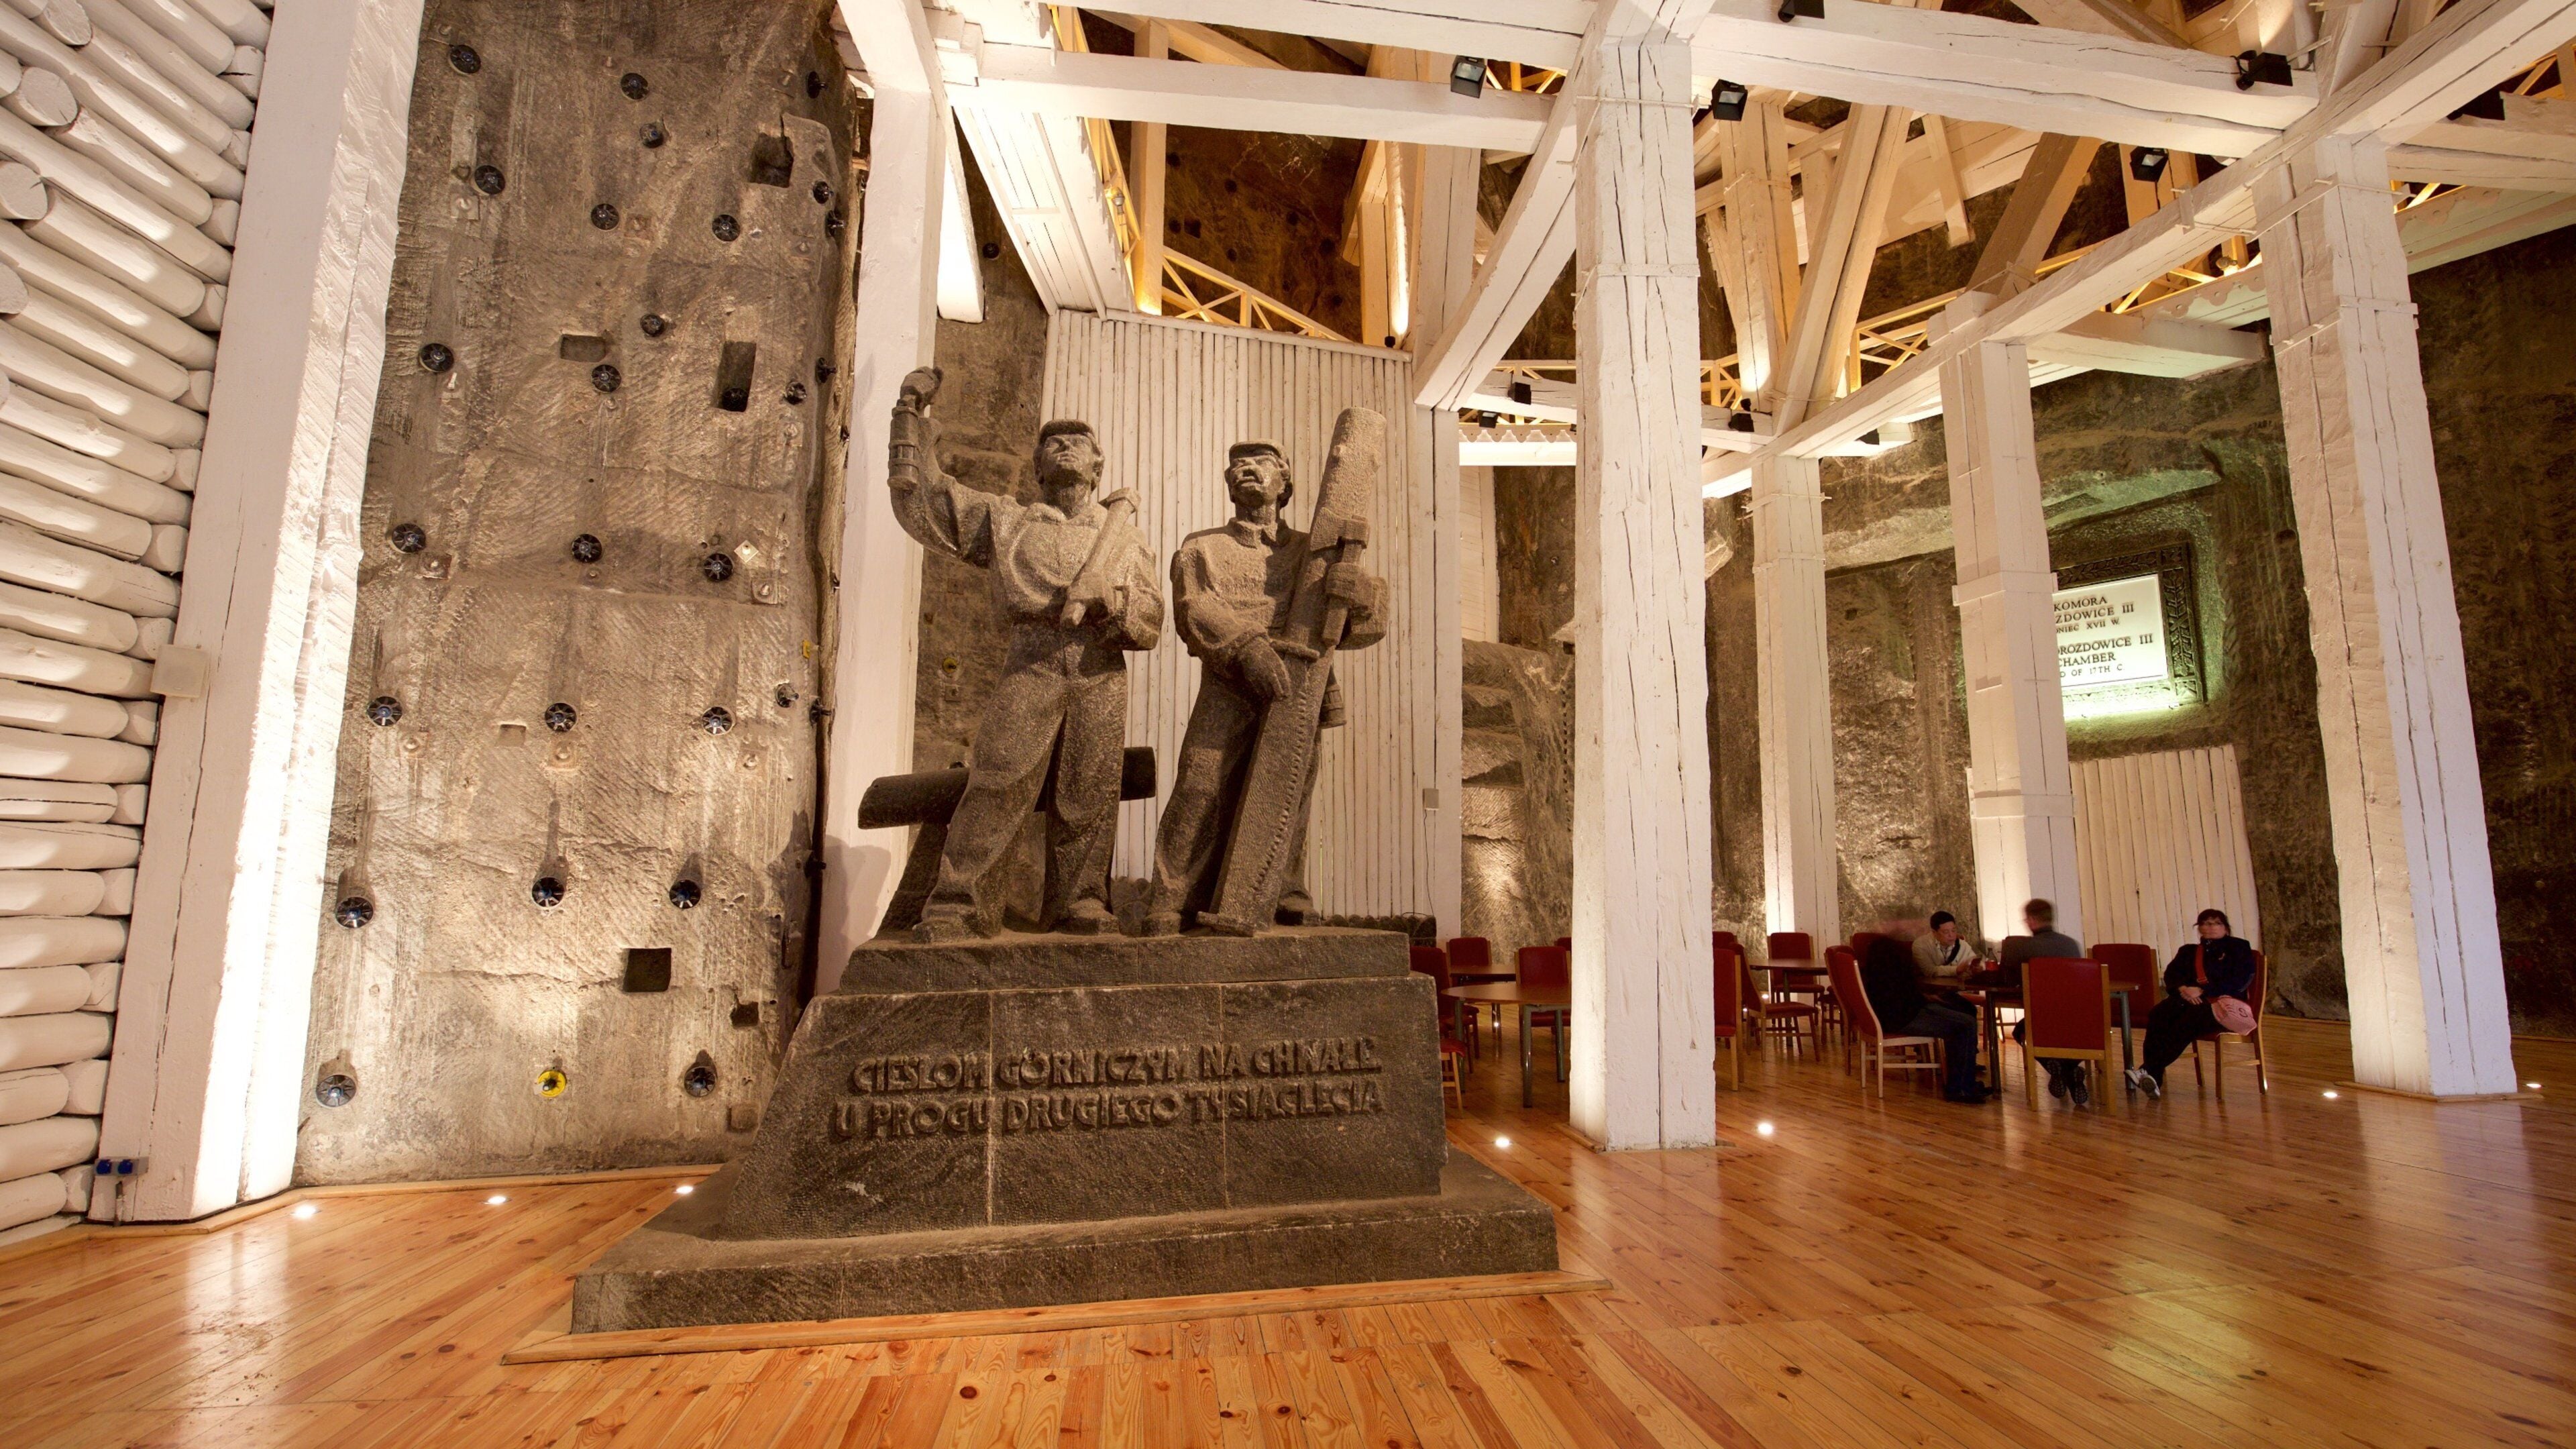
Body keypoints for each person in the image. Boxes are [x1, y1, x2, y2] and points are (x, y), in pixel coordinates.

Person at [884, 368, 1165, 940]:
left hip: (1098, 668)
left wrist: (1112, 601)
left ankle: (1080, 902)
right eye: (1052, 443)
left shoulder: (1124, 538)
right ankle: (960, 905)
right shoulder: (1008, 520)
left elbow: (1150, 620)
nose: (1064, 447)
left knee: (1089, 789)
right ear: (1037, 466)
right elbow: (931, 500)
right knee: (998, 778)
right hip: (1032, 660)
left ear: (1097, 466)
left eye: (1078, 442)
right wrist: (910, 420)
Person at [1141, 439, 1385, 934]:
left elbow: (1361, 622)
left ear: (1285, 482)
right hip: (1230, 678)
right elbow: (1193, 608)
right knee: (1200, 784)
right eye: (1236, 465)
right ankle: (1171, 895)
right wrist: (1247, 649)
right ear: (1228, 484)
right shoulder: (1202, 547)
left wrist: (1359, 595)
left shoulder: (1311, 554)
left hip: (1298, 682)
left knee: (1289, 786)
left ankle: (1283, 890)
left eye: (1261, 463)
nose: (1246, 469)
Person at [2127, 908, 2257, 1098]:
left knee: (2187, 1021)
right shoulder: (2189, 951)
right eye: (2205, 923)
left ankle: (2148, 1070)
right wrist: (2182, 989)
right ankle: (2153, 1077)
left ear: (2226, 928)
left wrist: (2204, 990)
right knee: (2158, 1014)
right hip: (2188, 1000)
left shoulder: (2239, 948)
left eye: (2216, 923)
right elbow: (2172, 975)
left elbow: (2240, 980)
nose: (2210, 927)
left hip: (2221, 1006)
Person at [1858, 934, 1989, 1103]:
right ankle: (1960, 1088)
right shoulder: (1891, 951)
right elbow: (1903, 992)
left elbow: (1898, 989)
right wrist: (1927, 998)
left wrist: (1927, 998)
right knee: (1965, 1023)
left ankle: (1964, 1084)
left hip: (1895, 1012)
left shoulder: (1879, 949)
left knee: (1962, 1014)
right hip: (1902, 1017)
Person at [2000, 898, 2091, 1104]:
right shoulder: (2071, 945)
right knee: (2061, 1032)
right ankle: (2070, 1071)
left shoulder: (2021, 948)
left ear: (2031, 920)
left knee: (2021, 1031)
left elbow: (2007, 981)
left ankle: (2056, 1066)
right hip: (2078, 1022)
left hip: (2043, 1021)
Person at [1913, 911, 1983, 980]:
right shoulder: (1921, 945)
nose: (1951, 935)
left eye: (1953, 930)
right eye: (1946, 932)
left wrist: (1978, 968)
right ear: (1934, 932)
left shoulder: (1962, 945)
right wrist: (1957, 969)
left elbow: (1975, 961)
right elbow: (1930, 971)